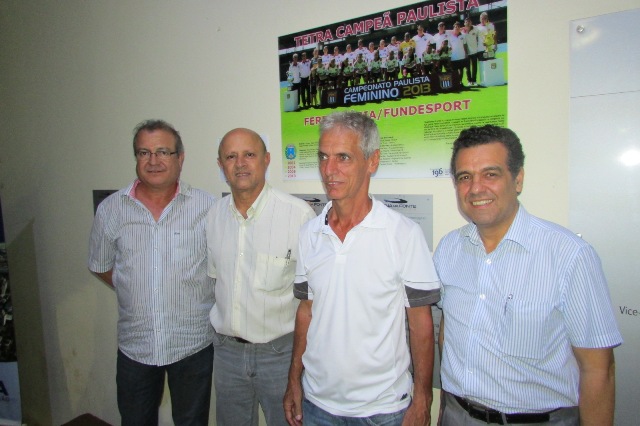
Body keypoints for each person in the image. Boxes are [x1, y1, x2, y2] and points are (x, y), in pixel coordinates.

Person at [435, 125, 623, 425]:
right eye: (464, 177)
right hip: (457, 415)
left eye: (490, 174)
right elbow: (448, 331)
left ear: (518, 179)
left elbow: (599, 369)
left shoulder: (569, 256)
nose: (476, 188)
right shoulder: (448, 249)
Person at [283, 111, 440, 426]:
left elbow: (421, 323)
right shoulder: (309, 233)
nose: (329, 170)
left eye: (343, 157)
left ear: (372, 161)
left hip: (383, 410)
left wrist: (423, 397)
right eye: (324, 157)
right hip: (317, 405)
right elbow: (306, 311)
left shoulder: (403, 234)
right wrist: (293, 380)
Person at [88, 119, 215, 425]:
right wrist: (138, 287)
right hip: (136, 347)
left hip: (192, 346)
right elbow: (102, 266)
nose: (153, 161)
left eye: (163, 152)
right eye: (144, 153)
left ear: (180, 159)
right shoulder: (112, 209)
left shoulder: (208, 208)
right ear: (136, 158)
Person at [207, 128, 315, 426]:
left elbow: (313, 298)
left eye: (249, 154)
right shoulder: (213, 217)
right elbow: (217, 282)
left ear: (266, 160)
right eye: (231, 156)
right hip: (227, 355)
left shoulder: (298, 216)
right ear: (221, 165)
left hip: (279, 355)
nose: (240, 163)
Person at [462, 17, 480, 86]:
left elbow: (479, 37)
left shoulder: (475, 29)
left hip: (475, 51)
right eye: (466, 22)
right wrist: (466, 52)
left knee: (474, 67)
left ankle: (474, 81)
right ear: (464, 23)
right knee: (467, 68)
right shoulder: (463, 32)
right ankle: (469, 81)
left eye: (469, 21)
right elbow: (464, 43)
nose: (468, 23)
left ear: (471, 22)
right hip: (467, 53)